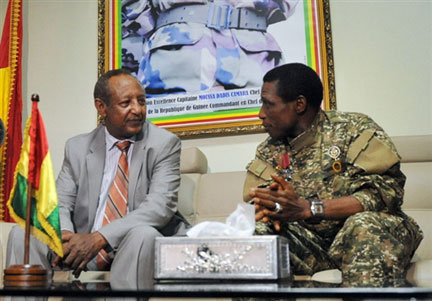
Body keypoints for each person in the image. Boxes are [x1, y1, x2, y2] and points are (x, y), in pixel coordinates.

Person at [244, 63, 423, 287]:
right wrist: (275, 207)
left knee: (364, 226)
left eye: (269, 104)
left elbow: (383, 195)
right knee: (253, 233)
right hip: (314, 246)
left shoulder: (353, 129)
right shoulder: (269, 150)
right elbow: (259, 204)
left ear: (299, 104)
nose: (261, 114)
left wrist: (308, 208)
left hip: (372, 231)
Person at [6, 69, 188, 287]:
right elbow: (61, 202)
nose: (137, 109)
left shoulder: (164, 144)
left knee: (144, 234)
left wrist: (99, 237)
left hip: (131, 246)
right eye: (126, 103)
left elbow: (159, 208)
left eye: (141, 101)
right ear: (101, 107)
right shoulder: (78, 147)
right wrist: (65, 238)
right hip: (82, 245)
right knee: (21, 233)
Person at [122, 0, 298, 96]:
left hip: (253, 56)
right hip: (176, 58)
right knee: (167, 140)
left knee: (267, 140)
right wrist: (167, 29)